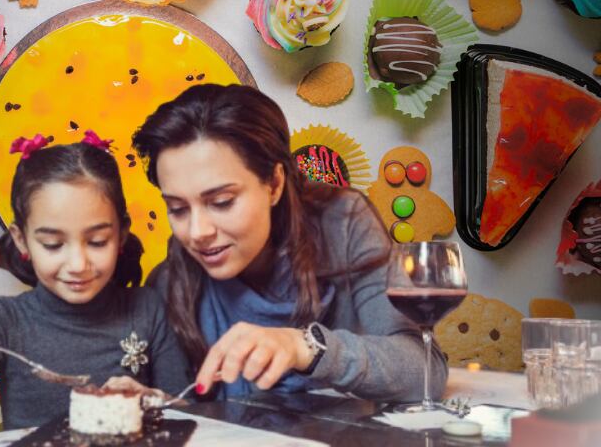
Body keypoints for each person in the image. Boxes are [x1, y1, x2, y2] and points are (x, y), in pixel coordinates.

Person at [131, 84, 447, 401]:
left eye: (222, 201)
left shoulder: (343, 223)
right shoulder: (170, 282)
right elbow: (178, 405)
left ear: (274, 184)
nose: (197, 231)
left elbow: (424, 370)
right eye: (178, 208)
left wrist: (304, 346)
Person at [0, 131, 188, 432]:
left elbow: (194, 420)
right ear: (22, 240)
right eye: (54, 245)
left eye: (97, 241)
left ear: (121, 234)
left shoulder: (147, 309)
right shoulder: (2, 321)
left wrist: (152, 401)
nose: (78, 264)